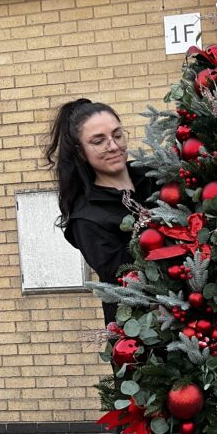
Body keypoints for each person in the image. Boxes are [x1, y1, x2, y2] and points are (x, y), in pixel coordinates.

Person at [43, 98, 155, 325]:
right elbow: (130, 281)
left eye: (117, 135)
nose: (113, 146)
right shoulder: (88, 218)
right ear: (81, 152)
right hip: (146, 335)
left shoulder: (155, 177)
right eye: (98, 141)